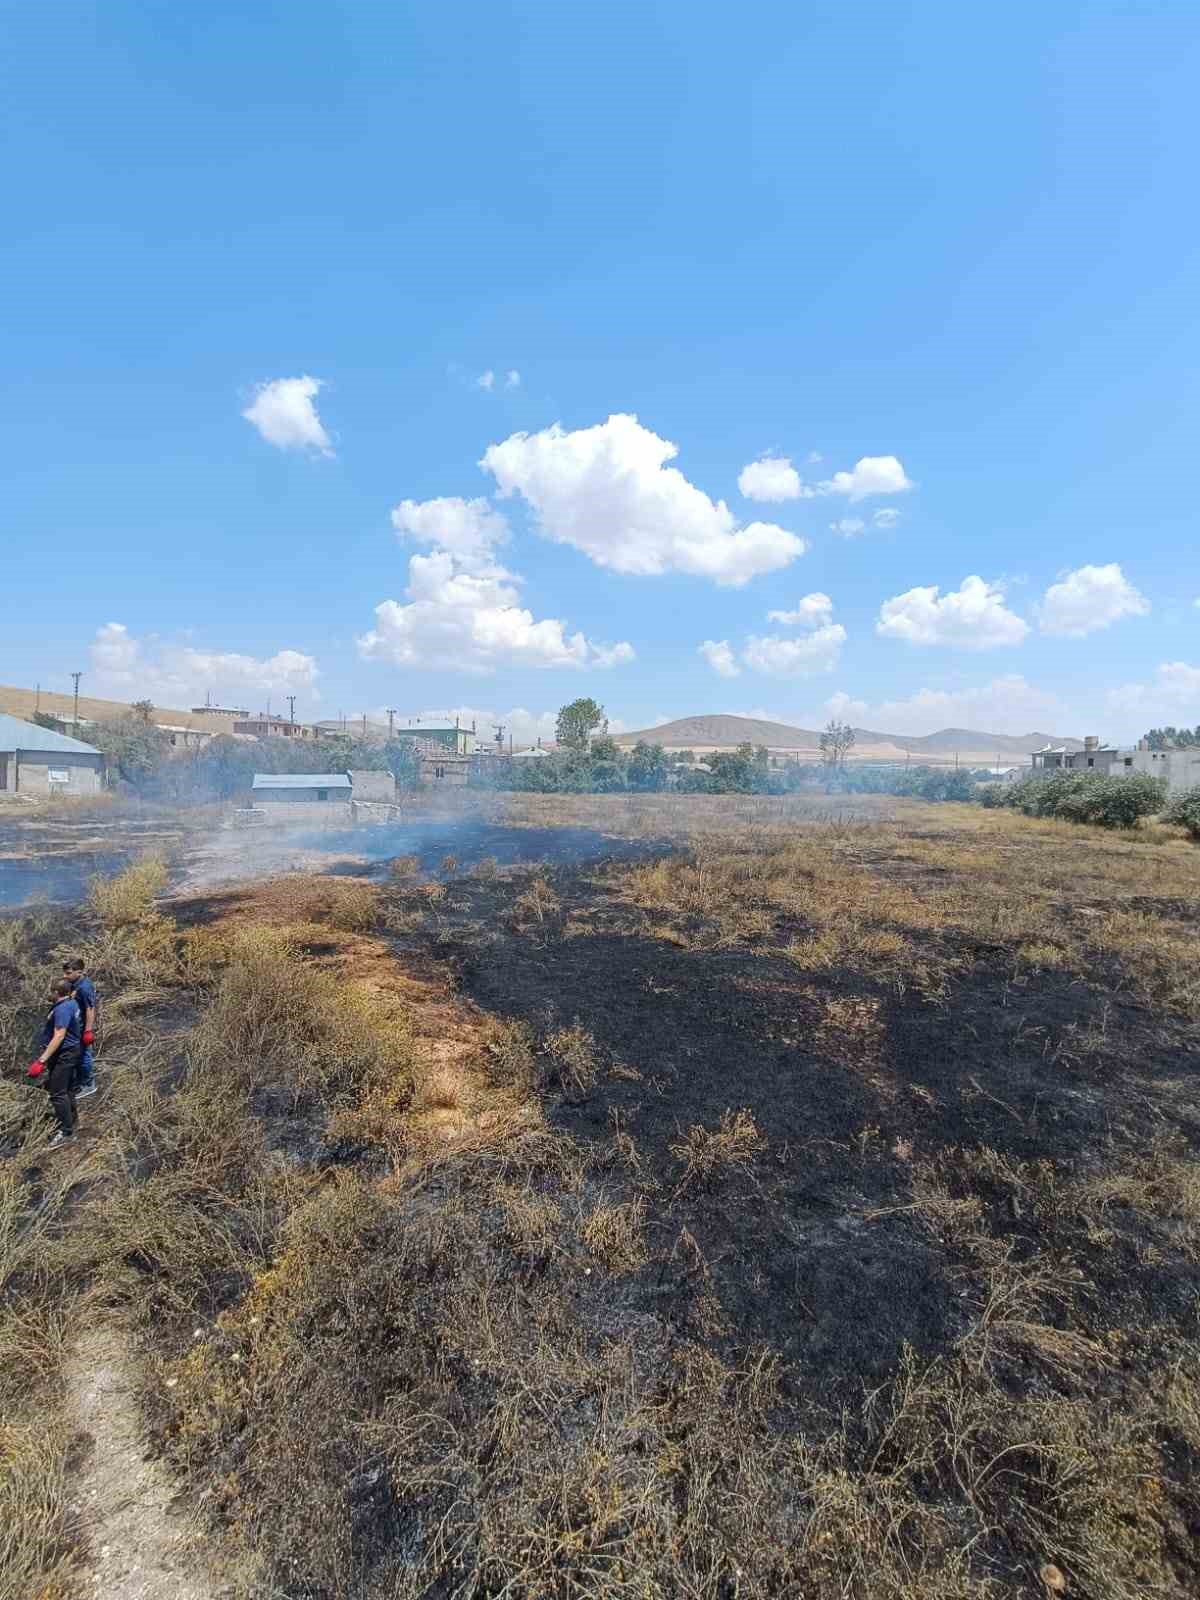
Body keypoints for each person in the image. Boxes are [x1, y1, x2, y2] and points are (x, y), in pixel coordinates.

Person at [28, 978, 82, 1150]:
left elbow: (59, 1036)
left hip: (64, 1055)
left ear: (57, 993)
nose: (49, 993)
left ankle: (66, 1132)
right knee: (68, 1089)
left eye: (51, 991)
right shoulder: (71, 1003)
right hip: (71, 1051)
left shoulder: (63, 1009)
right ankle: (73, 1120)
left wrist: (41, 1060)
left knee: (57, 1093)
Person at [64, 958, 98, 1099]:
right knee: (79, 1055)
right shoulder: (74, 983)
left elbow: (90, 1009)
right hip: (76, 1027)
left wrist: (88, 1031)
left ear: (79, 972)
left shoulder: (84, 987)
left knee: (84, 1056)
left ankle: (89, 1085)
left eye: (68, 973)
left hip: (83, 1027)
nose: (65, 976)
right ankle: (81, 1079)